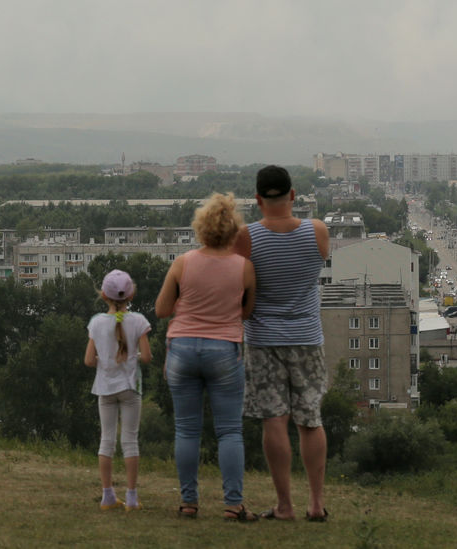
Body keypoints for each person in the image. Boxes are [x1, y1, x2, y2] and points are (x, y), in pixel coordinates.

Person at [233, 165, 330, 522]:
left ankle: (285, 506)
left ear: (258, 199)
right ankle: (316, 504)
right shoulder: (316, 231)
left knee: (274, 420)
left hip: (263, 340)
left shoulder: (246, 237)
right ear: (292, 195)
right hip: (308, 338)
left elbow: (241, 285)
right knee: (310, 419)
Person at [155, 192, 257, 521]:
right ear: (233, 231)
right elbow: (247, 312)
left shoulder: (183, 263)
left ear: (200, 228)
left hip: (182, 348)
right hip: (224, 350)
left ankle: (188, 502)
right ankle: (233, 504)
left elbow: (161, 310)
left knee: (186, 430)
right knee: (229, 431)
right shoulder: (244, 268)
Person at [84, 269, 152, 511]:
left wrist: (105, 359)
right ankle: (132, 497)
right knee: (130, 440)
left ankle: (107, 495)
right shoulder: (139, 321)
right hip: (131, 387)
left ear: (103, 295)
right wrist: (133, 355)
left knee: (107, 440)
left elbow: (89, 360)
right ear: (131, 294)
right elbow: (146, 357)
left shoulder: (96, 323)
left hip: (105, 388)